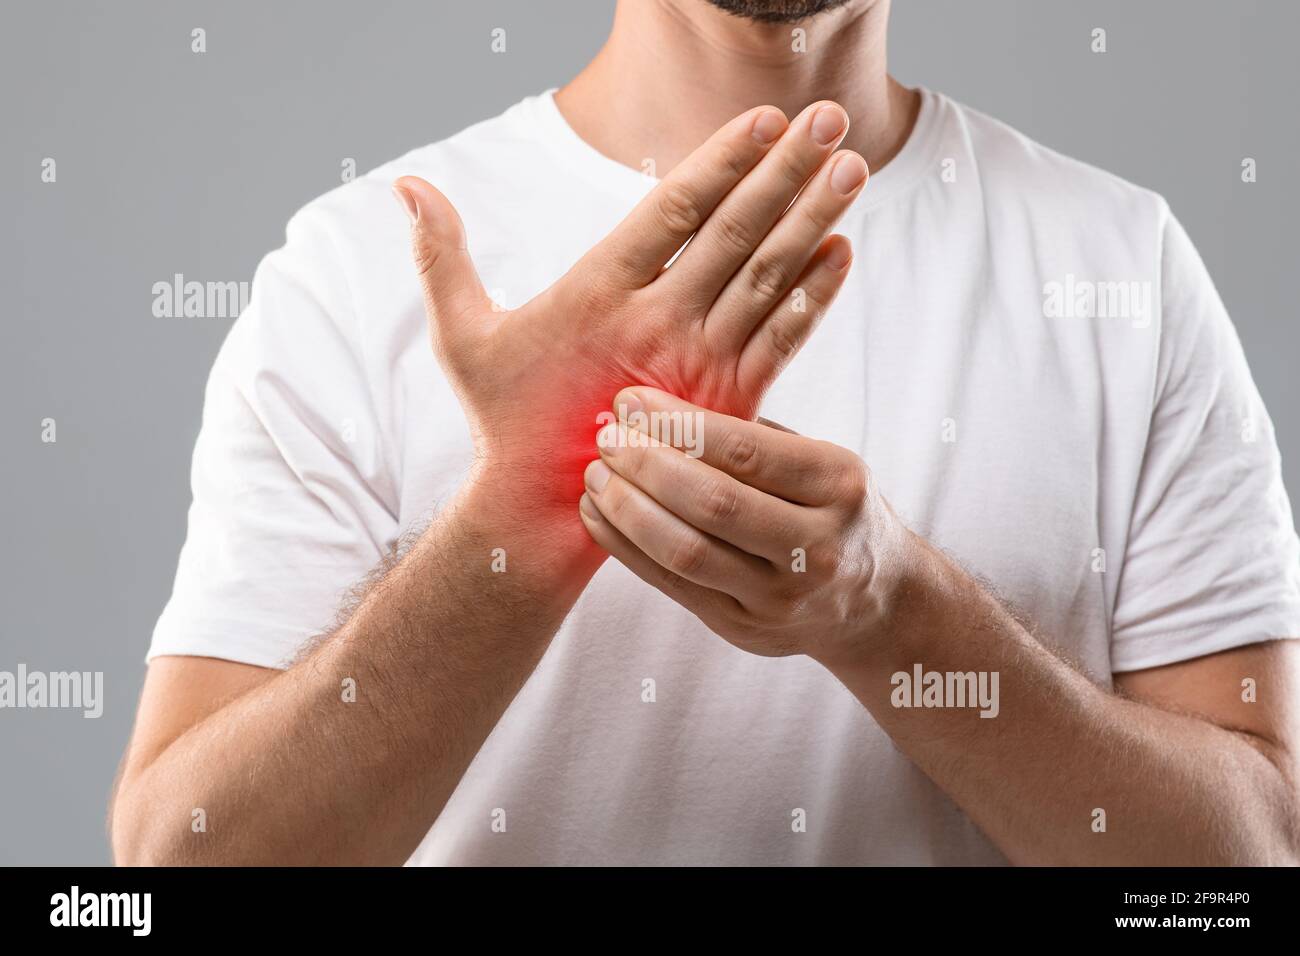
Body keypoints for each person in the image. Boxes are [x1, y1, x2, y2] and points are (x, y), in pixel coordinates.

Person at [110, 0, 1300, 865]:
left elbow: (1242, 868)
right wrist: (518, 518)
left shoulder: (1116, 266)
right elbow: (179, 867)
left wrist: (888, 615)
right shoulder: (361, 271)